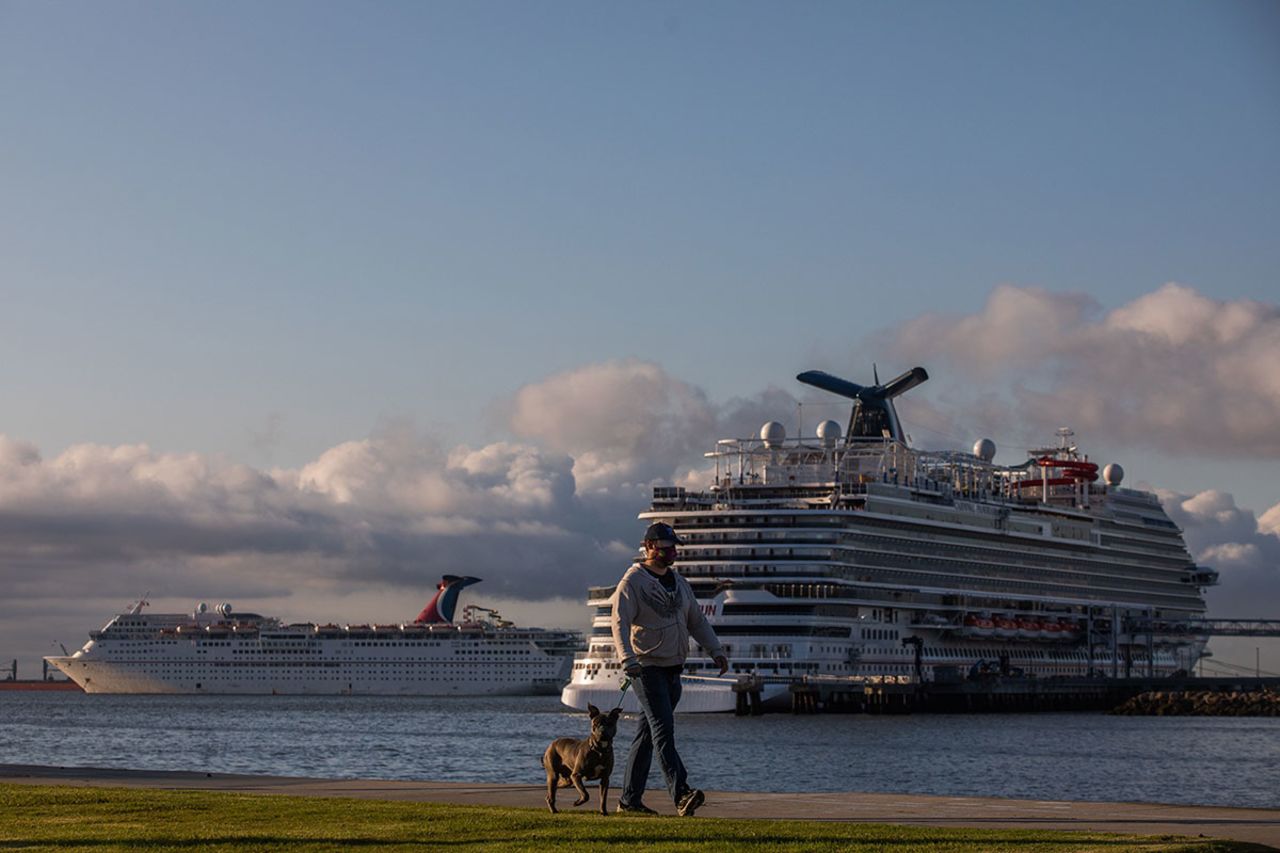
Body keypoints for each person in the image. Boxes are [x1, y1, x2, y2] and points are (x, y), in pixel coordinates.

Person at [610, 521, 728, 817]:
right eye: (666, 547)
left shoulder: (679, 583)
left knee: (648, 735)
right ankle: (682, 793)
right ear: (649, 547)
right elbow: (620, 622)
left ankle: (629, 801)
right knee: (663, 730)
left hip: (674, 668)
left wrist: (715, 650)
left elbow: (696, 621)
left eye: (674, 547)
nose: (673, 552)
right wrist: (627, 659)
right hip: (646, 668)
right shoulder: (633, 582)